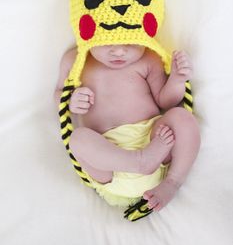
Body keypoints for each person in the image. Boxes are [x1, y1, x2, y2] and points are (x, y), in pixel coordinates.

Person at [54, 44, 200, 211]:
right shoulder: (76, 59)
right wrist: (70, 100)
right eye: (106, 42)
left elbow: (165, 101)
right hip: (108, 163)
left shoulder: (149, 58)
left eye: (130, 43)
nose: (119, 51)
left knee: (182, 117)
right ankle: (137, 162)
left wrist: (177, 79)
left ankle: (173, 182)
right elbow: (59, 93)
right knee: (78, 139)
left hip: (155, 143)